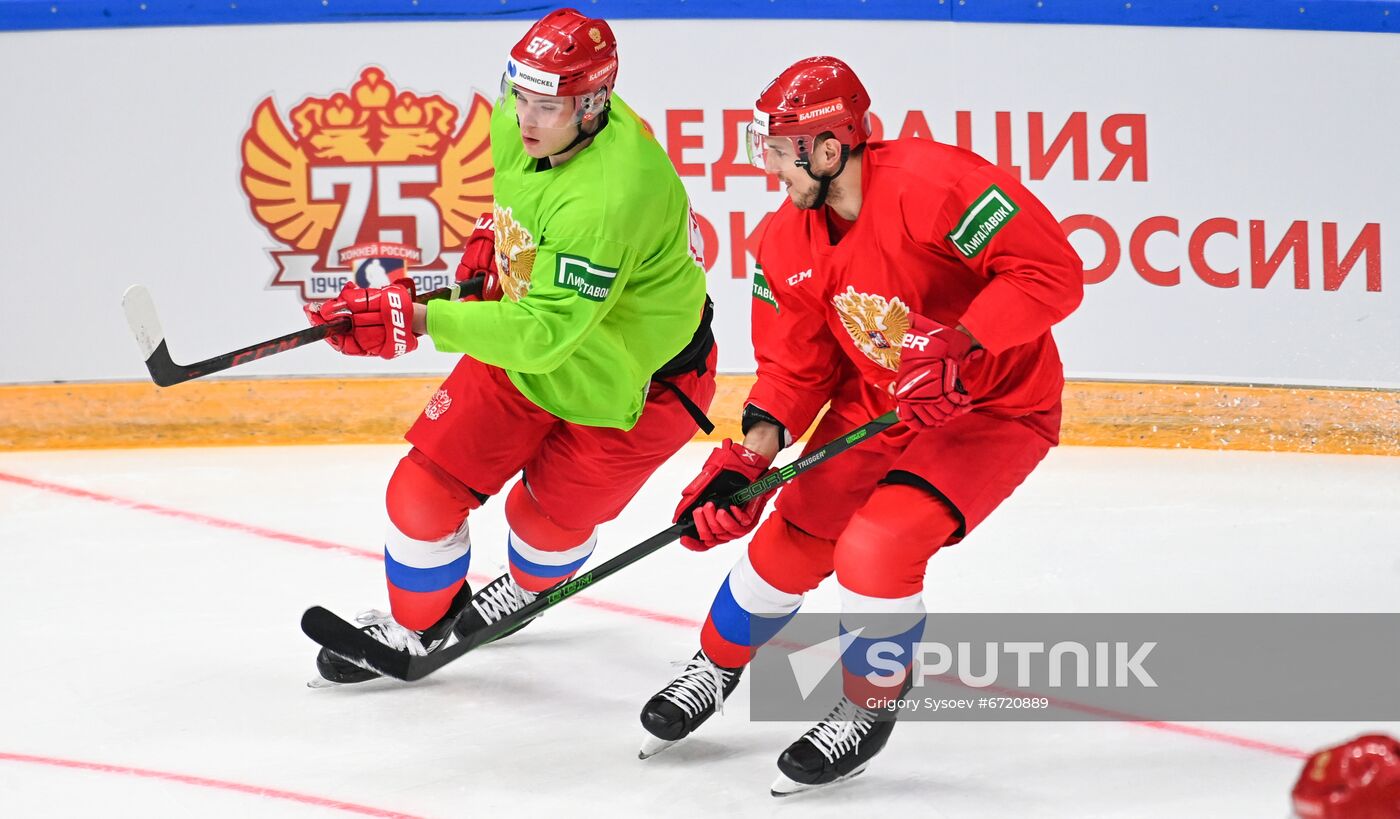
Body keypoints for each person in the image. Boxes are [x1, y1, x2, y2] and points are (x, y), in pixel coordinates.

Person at [639, 56, 1084, 794]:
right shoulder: (784, 243)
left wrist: (962, 344)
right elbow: (795, 368)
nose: (769, 167)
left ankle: (867, 706)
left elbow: (1050, 271)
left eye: (779, 151)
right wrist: (749, 458)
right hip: (882, 405)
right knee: (789, 539)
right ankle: (714, 665)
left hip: (993, 409)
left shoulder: (936, 185)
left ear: (829, 144)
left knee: (876, 547)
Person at [304, 8, 716, 684]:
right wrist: (488, 242)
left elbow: (544, 333)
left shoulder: (612, 195)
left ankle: (525, 588)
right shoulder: (522, 120)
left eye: (546, 106)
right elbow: (523, 204)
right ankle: (418, 623)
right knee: (419, 494)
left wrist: (422, 319)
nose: (525, 118)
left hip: (634, 387)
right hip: (533, 348)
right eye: (518, 93)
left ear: (593, 104)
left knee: (540, 526)